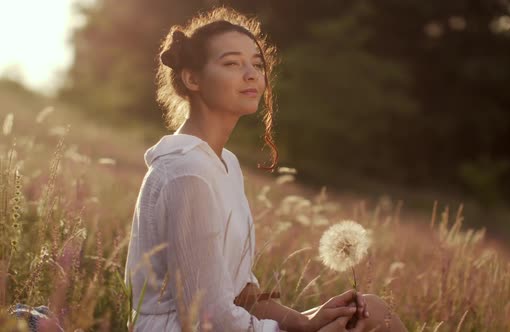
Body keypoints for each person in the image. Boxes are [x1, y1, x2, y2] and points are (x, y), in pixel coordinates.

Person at [124, 6, 407, 332]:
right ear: (192, 78)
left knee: (371, 310)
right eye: (232, 63)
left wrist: (305, 322)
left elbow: (241, 293)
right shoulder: (188, 173)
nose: (252, 74)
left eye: (257, 65)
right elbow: (205, 316)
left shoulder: (224, 163)